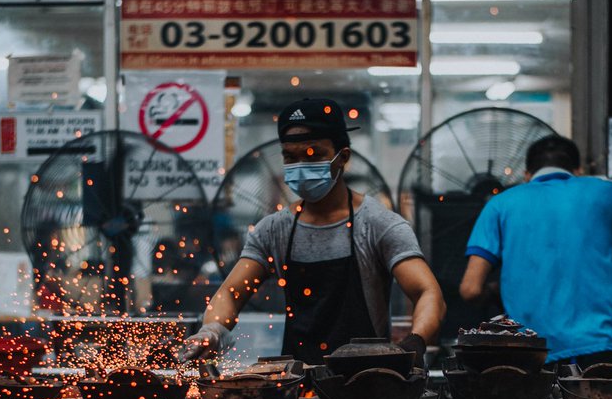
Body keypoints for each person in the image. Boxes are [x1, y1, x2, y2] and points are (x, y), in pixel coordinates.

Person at [182, 97, 444, 366]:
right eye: (290, 157)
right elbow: (230, 293)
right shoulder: (273, 230)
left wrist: (415, 342)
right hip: (296, 380)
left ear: (343, 157)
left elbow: (427, 292)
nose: (301, 165)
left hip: (367, 380)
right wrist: (212, 331)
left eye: (313, 154)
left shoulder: (378, 225)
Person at [458, 134, 612, 368]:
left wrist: (497, 291)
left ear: (527, 175)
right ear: (578, 170)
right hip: (603, 350)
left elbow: (470, 289)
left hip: (531, 353)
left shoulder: (499, 204)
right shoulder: (608, 192)